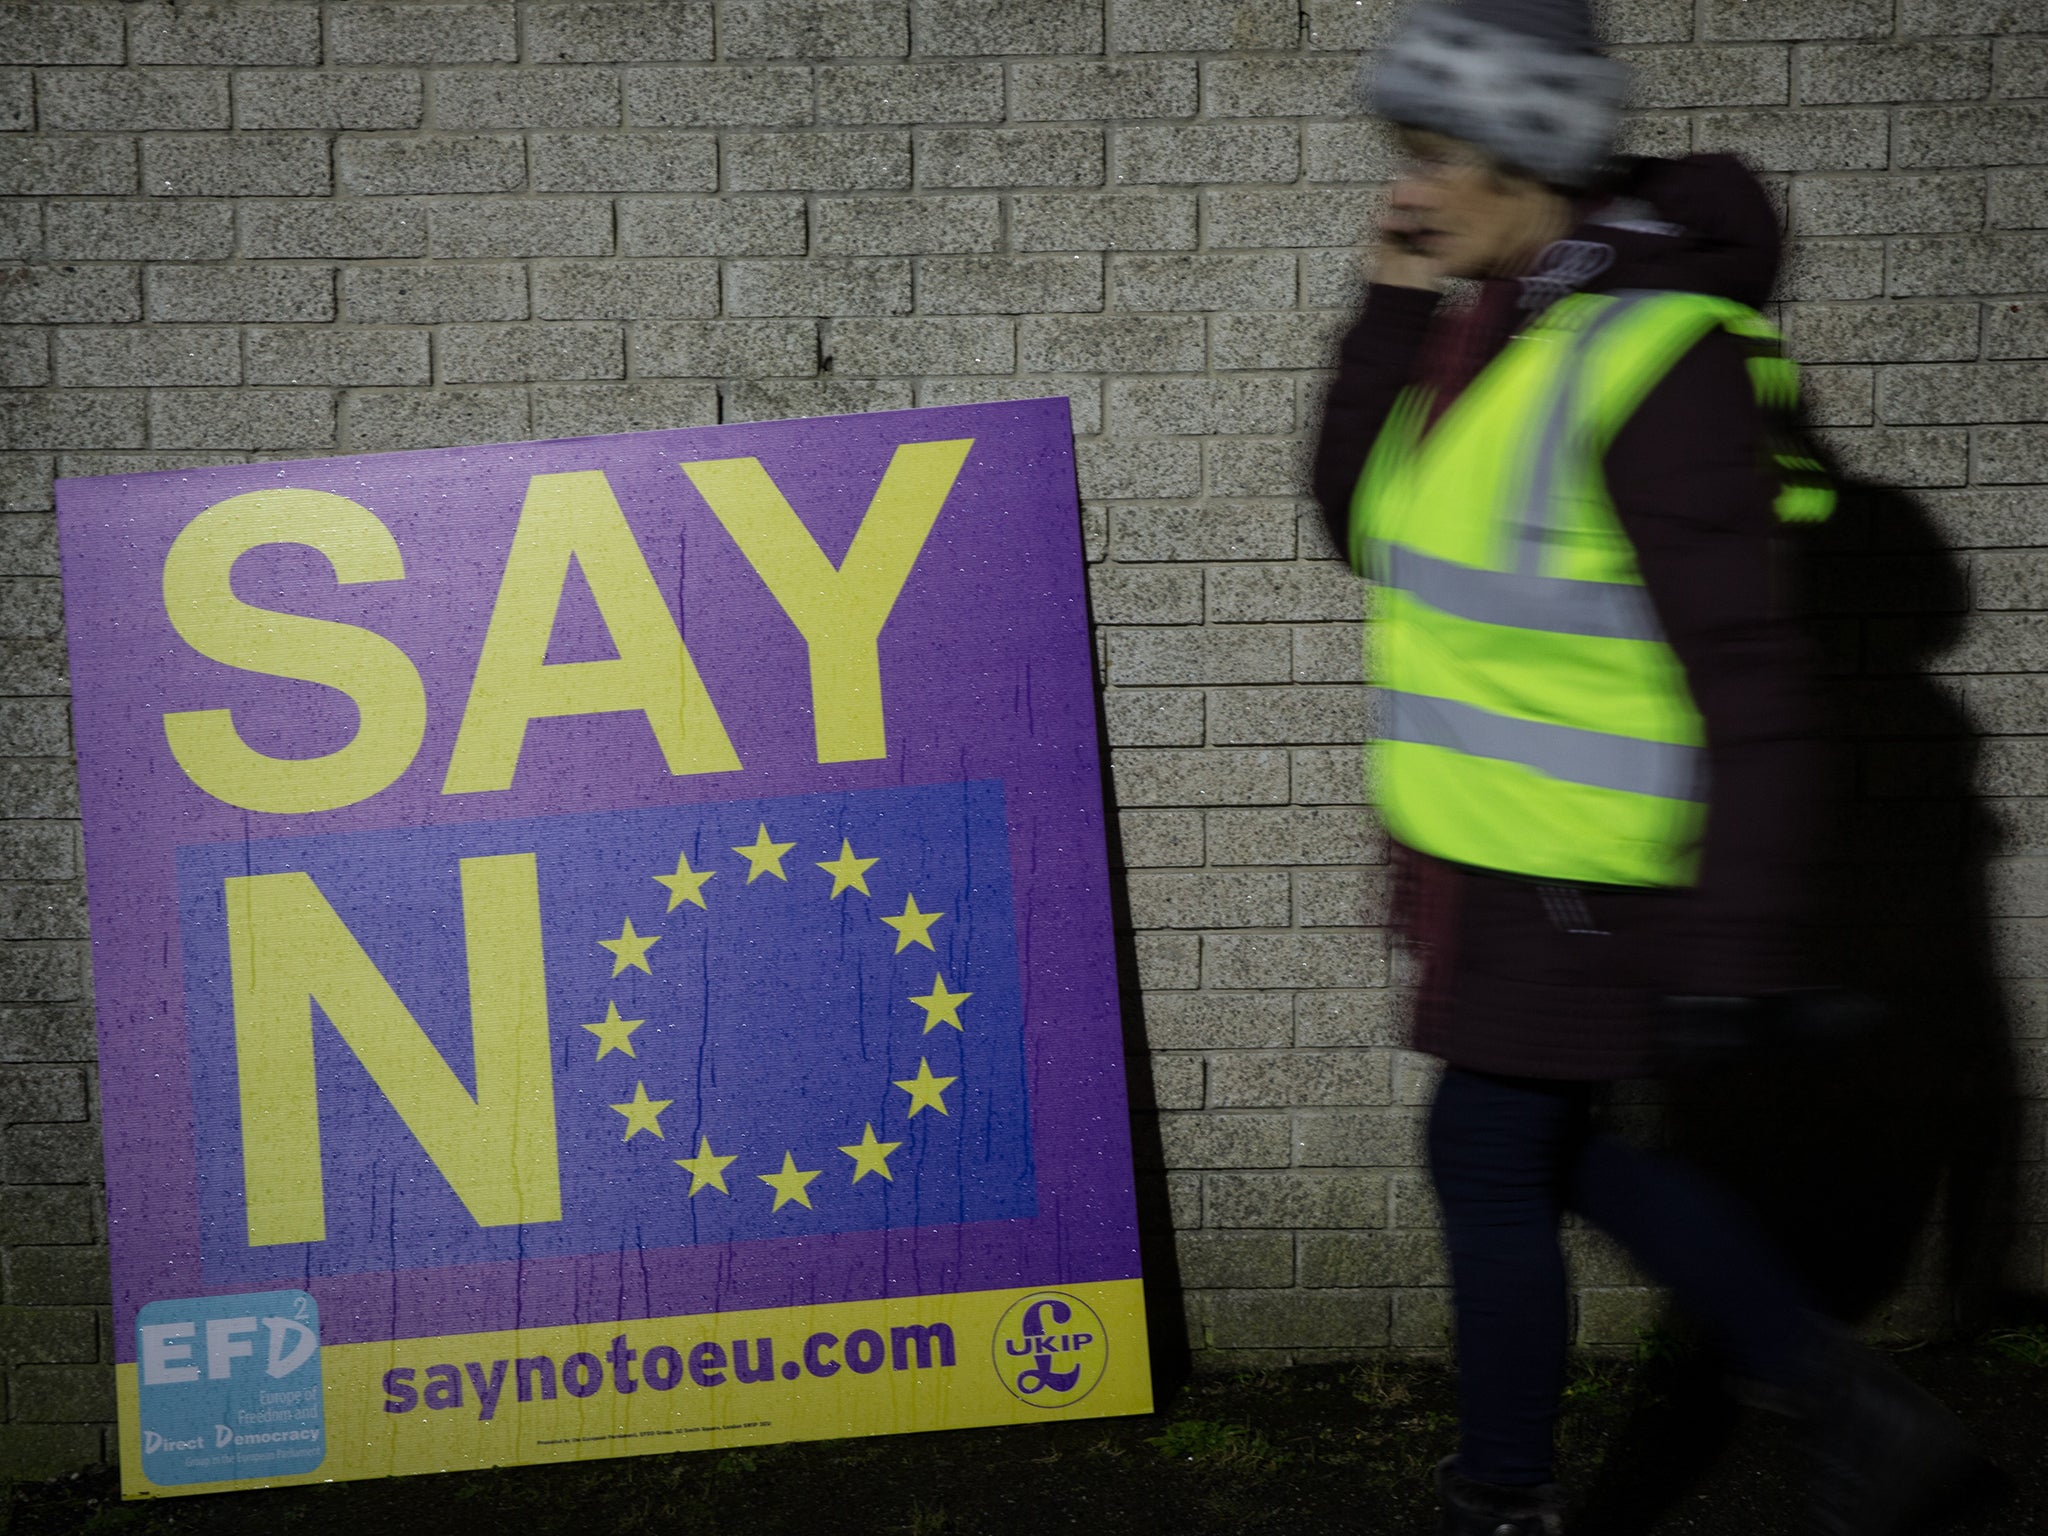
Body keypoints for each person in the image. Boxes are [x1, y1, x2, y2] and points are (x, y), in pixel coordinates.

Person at [1312, 3, 1983, 1532]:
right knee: (1548, 1149)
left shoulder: (1652, 354)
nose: (1404, 190)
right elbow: (1364, 521)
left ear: (1526, 152)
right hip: (1496, 854)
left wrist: (1737, 947)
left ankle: (1506, 1498)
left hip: (1579, 869)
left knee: (1484, 1153)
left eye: (1431, 156)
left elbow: (1751, 676)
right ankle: (1839, 1399)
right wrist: (1390, 311)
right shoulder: (1505, 325)